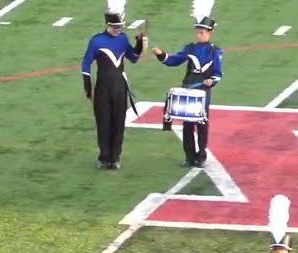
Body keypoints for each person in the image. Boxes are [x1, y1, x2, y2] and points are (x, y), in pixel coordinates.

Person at [152, 1, 223, 168]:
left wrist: (210, 81)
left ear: (209, 33)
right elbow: (174, 61)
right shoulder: (190, 48)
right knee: (187, 124)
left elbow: (218, 74)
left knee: (202, 123)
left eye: (202, 32)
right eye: (197, 32)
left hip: (203, 91)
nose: (199, 35)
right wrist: (161, 55)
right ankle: (189, 156)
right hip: (189, 88)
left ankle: (201, 156)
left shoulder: (215, 51)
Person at [82, 1, 146, 169]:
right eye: (115, 27)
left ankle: (115, 158)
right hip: (102, 87)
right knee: (104, 122)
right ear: (107, 24)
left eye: (120, 27)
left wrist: (139, 44)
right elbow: (86, 64)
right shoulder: (96, 41)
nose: (118, 30)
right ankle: (104, 158)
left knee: (119, 122)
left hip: (119, 87)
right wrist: (88, 87)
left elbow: (134, 57)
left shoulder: (123, 39)